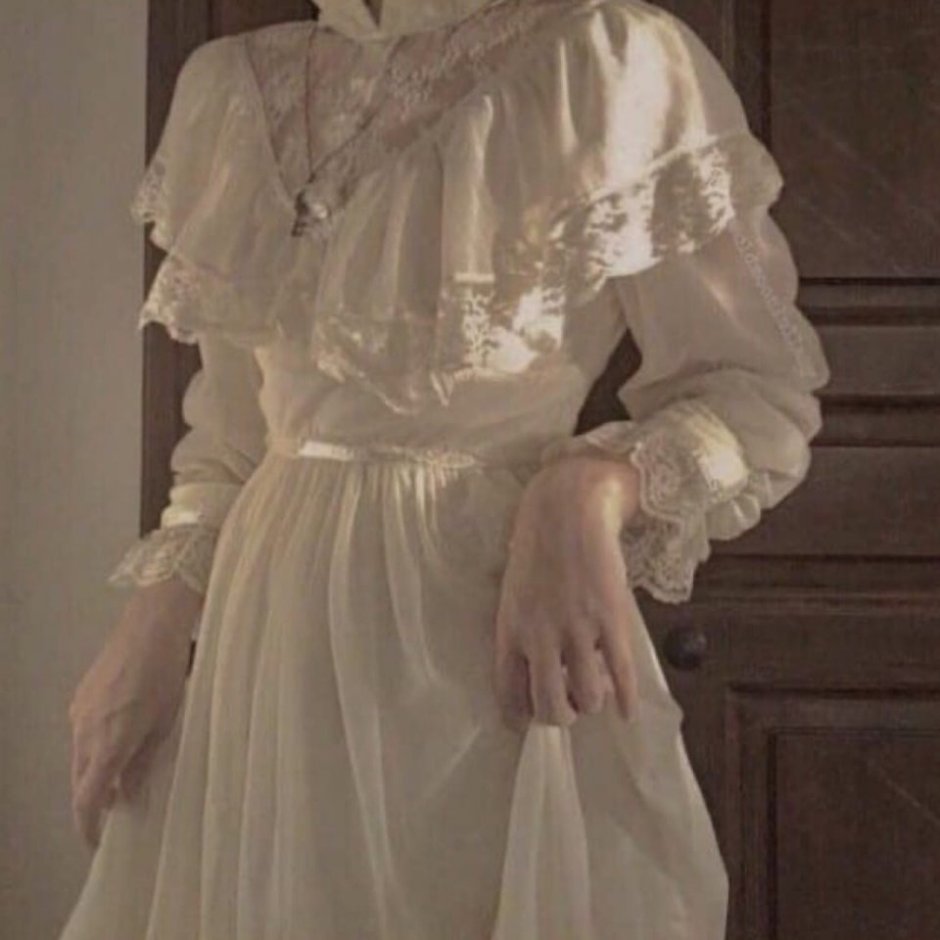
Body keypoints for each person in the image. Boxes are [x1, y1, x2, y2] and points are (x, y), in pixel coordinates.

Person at [59, 0, 831, 937]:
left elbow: (757, 391)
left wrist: (588, 489)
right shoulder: (230, 92)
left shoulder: (608, 60)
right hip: (265, 669)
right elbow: (230, 441)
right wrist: (153, 623)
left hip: (491, 651)